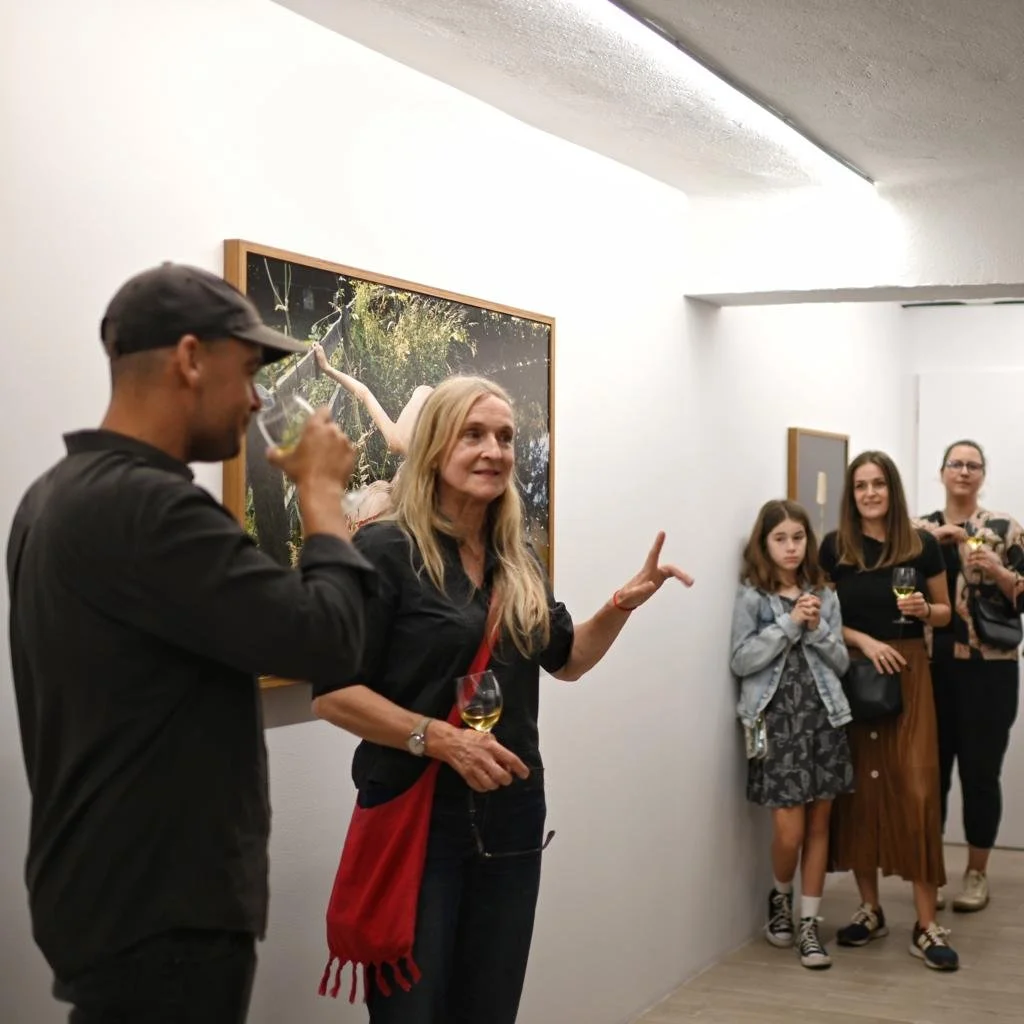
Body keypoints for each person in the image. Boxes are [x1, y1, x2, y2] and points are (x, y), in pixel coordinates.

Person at [6, 263, 375, 1023]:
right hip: (164, 912)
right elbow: (330, 642)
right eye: (248, 371)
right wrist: (322, 496)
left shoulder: (52, 497)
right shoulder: (151, 508)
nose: (257, 399)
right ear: (190, 358)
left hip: (106, 896)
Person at [311, 375, 693, 1024]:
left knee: (488, 1008)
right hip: (417, 812)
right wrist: (440, 738)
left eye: (506, 437)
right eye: (474, 434)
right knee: (412, 1011)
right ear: (435, 446)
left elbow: (568, 659)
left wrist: (620, 604)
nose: (494, 450)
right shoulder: (384, 549)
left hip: (512, 811)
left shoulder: (517, 558)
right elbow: (334, 694)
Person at [819, 451, 958, 971]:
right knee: (861, 790)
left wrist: (924, 609)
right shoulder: (835, 548)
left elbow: (945, 613)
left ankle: (926, 925)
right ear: (851, 494)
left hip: (910, 670)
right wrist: (864, 641)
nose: (870, 493)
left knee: (918, 791)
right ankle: (870, 909)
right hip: (856, 672)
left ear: (891, 489)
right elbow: (825, 618)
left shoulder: (921, 544)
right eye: (861, 486)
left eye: (878, 483)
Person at [731, 500, 853, 970]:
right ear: (764, 544)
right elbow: (741, 660)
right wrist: (789, 623)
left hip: (824, 719)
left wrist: (817, 626)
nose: (790, 547)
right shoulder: (753, 597)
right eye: (780, 538)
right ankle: (780, 897)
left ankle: (808, 925)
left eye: (798, 537)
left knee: (820, 826)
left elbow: (841, 662)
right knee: (790, 831)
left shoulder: (825, 594)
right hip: (777, 723)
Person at [918, 440, 1024, 913]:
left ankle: (977, 873)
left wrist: (997, 569)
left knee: (981, 775)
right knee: (931, 776)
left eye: (972, 465)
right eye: (955, 464)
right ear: (941, 472)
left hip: (991, 671)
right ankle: (932, 875)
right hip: (932, 669)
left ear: (983, 474)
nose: (963, 471)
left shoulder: (1004, 528)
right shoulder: (920, 529)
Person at [312, 340, 432, 528]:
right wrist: (328, 368)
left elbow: (364, 393)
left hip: (390, 513)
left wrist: (328, 369)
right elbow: (364, 393)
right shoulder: (404, 442)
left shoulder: (402, 441)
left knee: (423, 392)